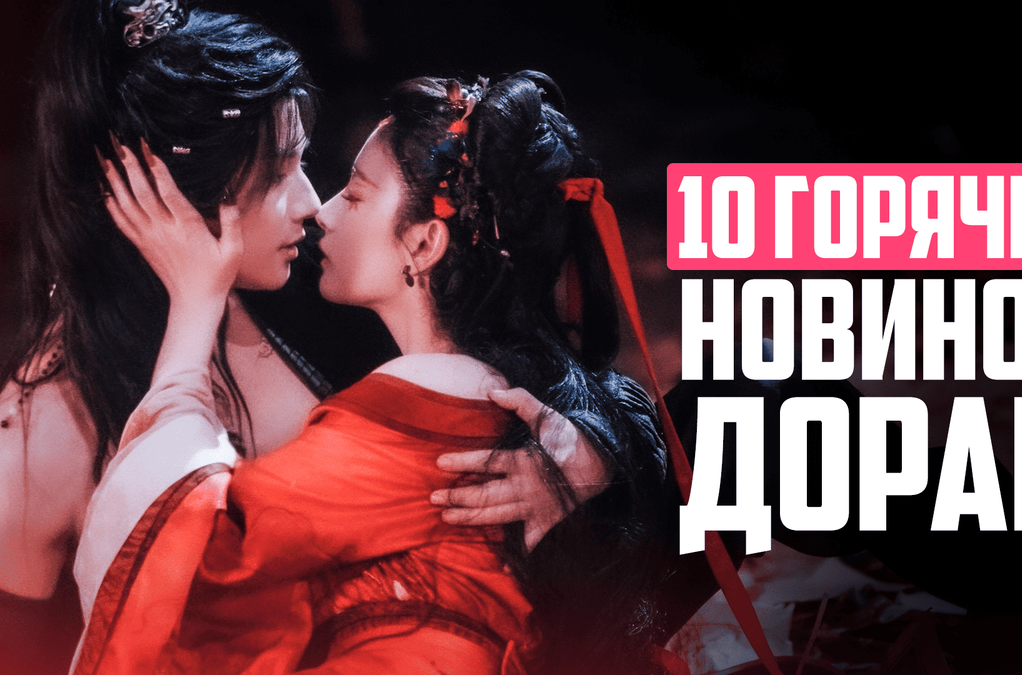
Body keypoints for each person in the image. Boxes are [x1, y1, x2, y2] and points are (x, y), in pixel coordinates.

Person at [0, 3, 590, 674]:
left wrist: (585, 461)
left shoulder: (326, 282)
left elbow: (546, 367)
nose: (312, 203)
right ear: (172, 193)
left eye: (303, 162)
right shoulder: (24, 457)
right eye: (277, 173)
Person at [80, 70, 673, 675]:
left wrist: (193, 304)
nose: (323, 210)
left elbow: (199, 557)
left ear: (424, 245)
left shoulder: (427, 408)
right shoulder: (521, 390)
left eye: (356, 195)